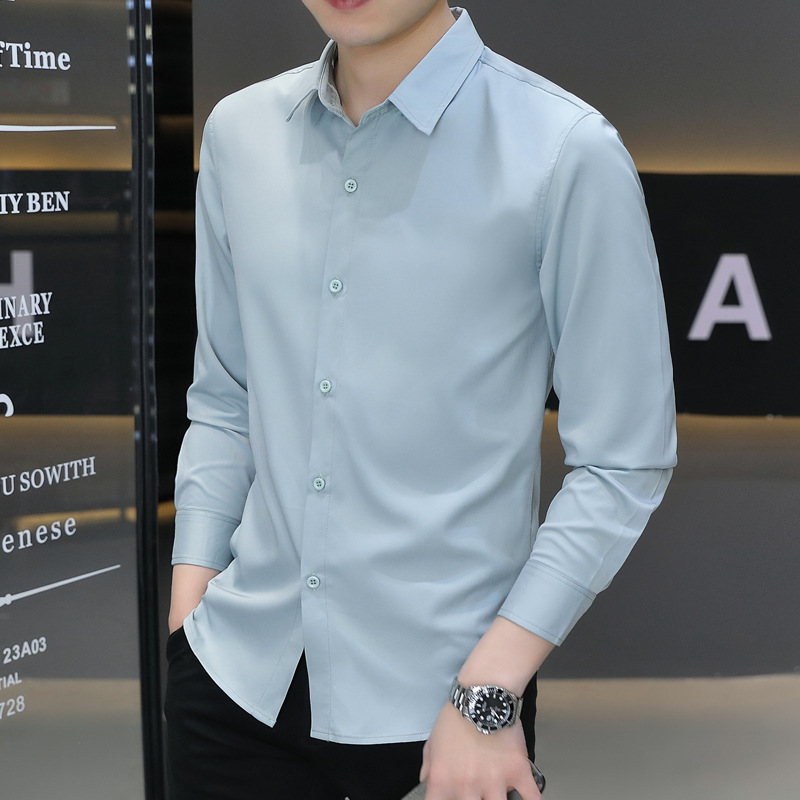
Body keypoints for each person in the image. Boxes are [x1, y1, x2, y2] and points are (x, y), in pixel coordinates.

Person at [164, 2, 677, 799]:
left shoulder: (564, 150)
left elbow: (623, 461)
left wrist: (488, 691)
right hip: (231, 685)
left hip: (447, 714)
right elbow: (225, 398)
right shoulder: (239, 133)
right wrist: (188, 615)